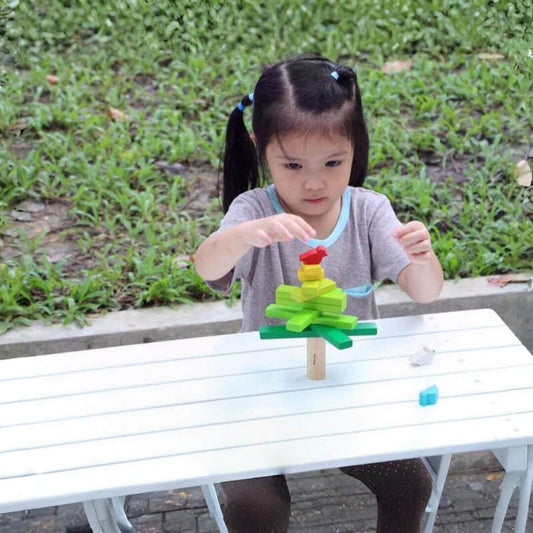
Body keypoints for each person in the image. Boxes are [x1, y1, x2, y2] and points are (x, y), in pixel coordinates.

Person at [194, 53, 443, 533]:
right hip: (264, 394)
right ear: (260, 148)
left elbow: (426, 293)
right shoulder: (253, 211)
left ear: (355, 147)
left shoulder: (369, 212)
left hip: (346, 394)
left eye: (334, 162)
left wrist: (421, 255)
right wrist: (247, 234)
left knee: (409, 483)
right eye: (292, 165)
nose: (314, 182)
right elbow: (207, 266)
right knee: (257, 506)